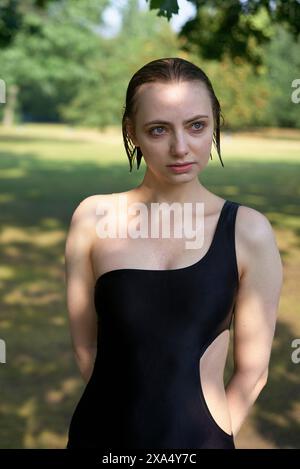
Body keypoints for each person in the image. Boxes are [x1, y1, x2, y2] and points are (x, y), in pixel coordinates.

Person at [64, 57, 283, 449]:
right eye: (158, 129)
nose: (180, 148)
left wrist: (214, 435)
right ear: (132, 133)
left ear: (215, 122)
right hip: (100, 438)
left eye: (197, 126)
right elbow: (87, 346)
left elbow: (253, 371)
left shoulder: (248, 231)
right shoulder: (92, 218)